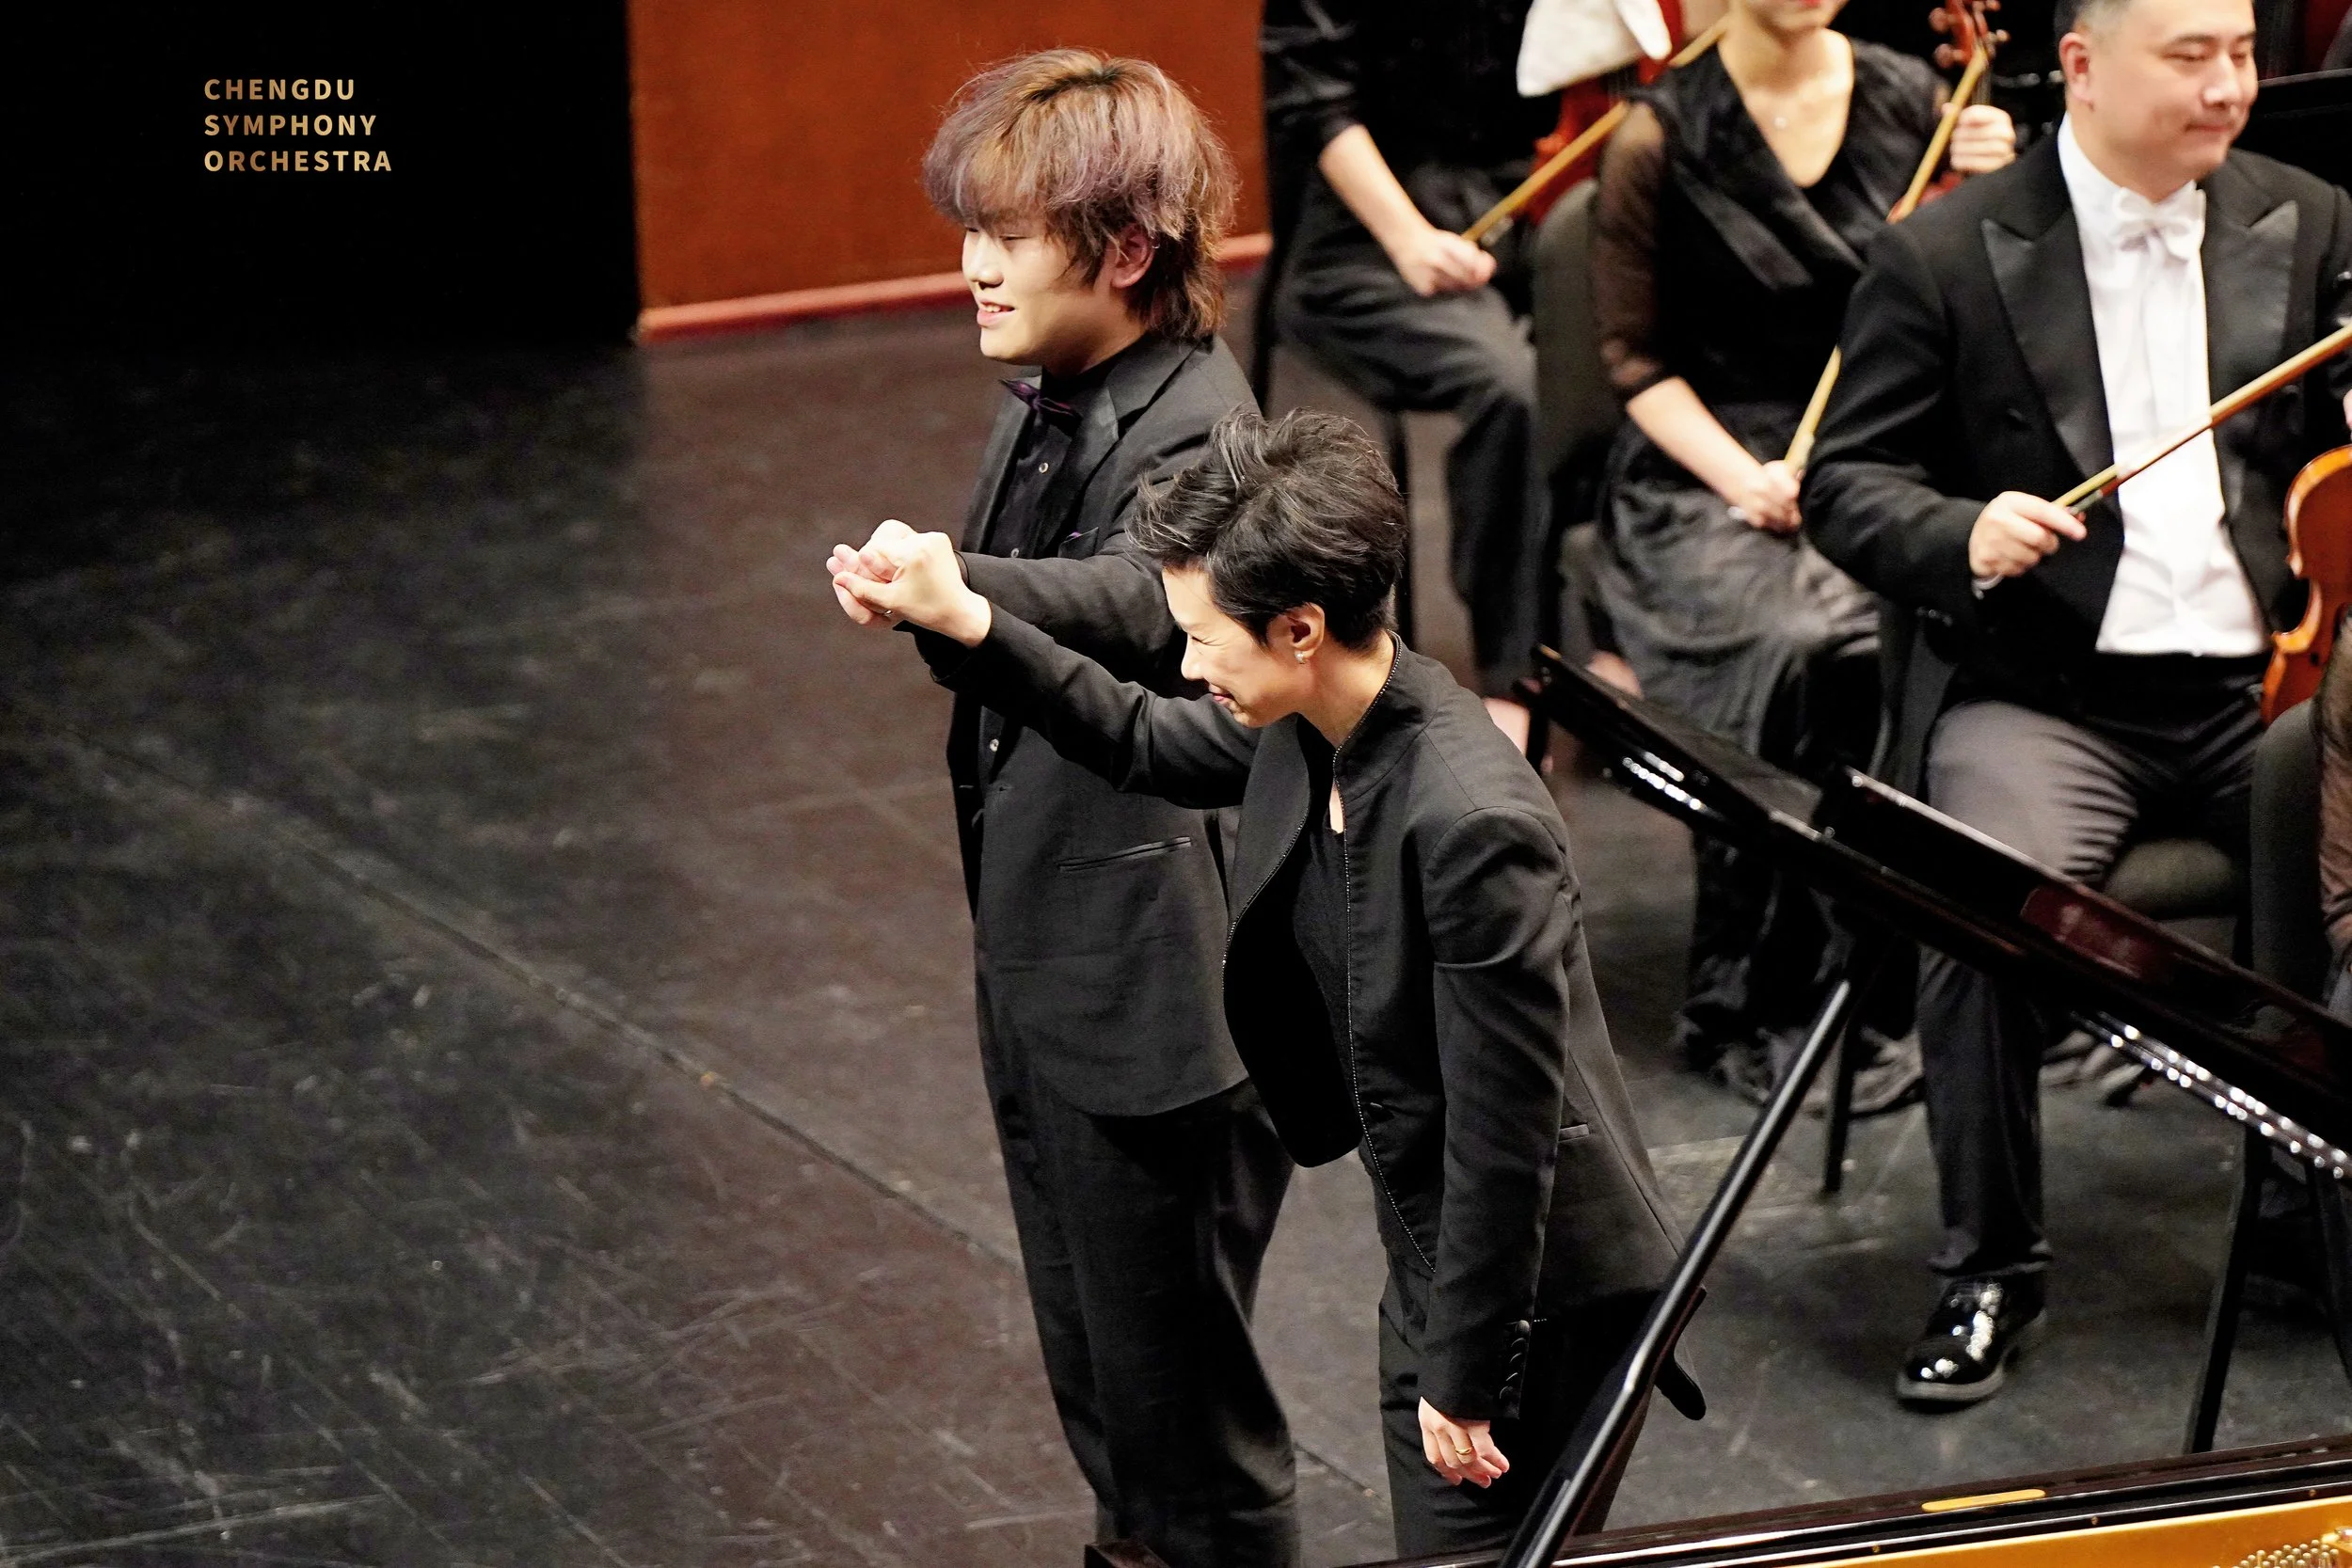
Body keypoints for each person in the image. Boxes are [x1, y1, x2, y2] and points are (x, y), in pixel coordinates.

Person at [829, 408, 1690, 1558]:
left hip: (1537, 1288)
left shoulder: (1470, 818)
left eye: (1202, 637)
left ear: (1298, 628)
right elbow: (1139, 736)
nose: (1187, 662)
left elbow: (1506, 1131)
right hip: (1436, 1248)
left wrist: (1469, 1370)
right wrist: (967, 623)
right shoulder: (1319, 718)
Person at [1804, 0, 2352, 1406]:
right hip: (2045, 696)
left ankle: (2310, 1208)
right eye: (2192, 56)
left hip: (2266, 685)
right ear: (2088, 67)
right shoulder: (1941, 252)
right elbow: (1845, 484)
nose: (2231, 86)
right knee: (1975, 896)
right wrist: (1959, 532)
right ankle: (1988, 1261)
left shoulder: (2313, 219)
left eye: (2240, 52)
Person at [829, 52, 1297, 1567]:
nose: (972, 265)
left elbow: (1151, 604)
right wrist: (947, 597)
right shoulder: (1052, 397)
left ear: (1127, 249)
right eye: (972, 226)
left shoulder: (1203, 421)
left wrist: (963, 596)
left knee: (1188, 1424)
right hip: (1058, 963)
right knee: (1109, 1390)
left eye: (1009, 234)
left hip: (1160, 1003)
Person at [1589, 0, 2018, 1090]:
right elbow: (1635, 363)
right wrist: (1745, 477)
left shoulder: (1920, 100)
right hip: (1706, 469)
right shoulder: (1655, 133)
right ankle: (1764, 988)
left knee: (1925, 617)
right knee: (1793, 642)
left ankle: (1902, 977)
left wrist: (2005, 181)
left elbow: (1977, 298)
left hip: (1868, 448)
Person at [1260, 0, 1590, 749]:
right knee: (1513, 389)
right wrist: (1407, 237)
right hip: (1363, 237)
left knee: (1621, 350)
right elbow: (1315, 105)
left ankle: (1610, 640)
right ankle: (1517, 671)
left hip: (1523, 201)